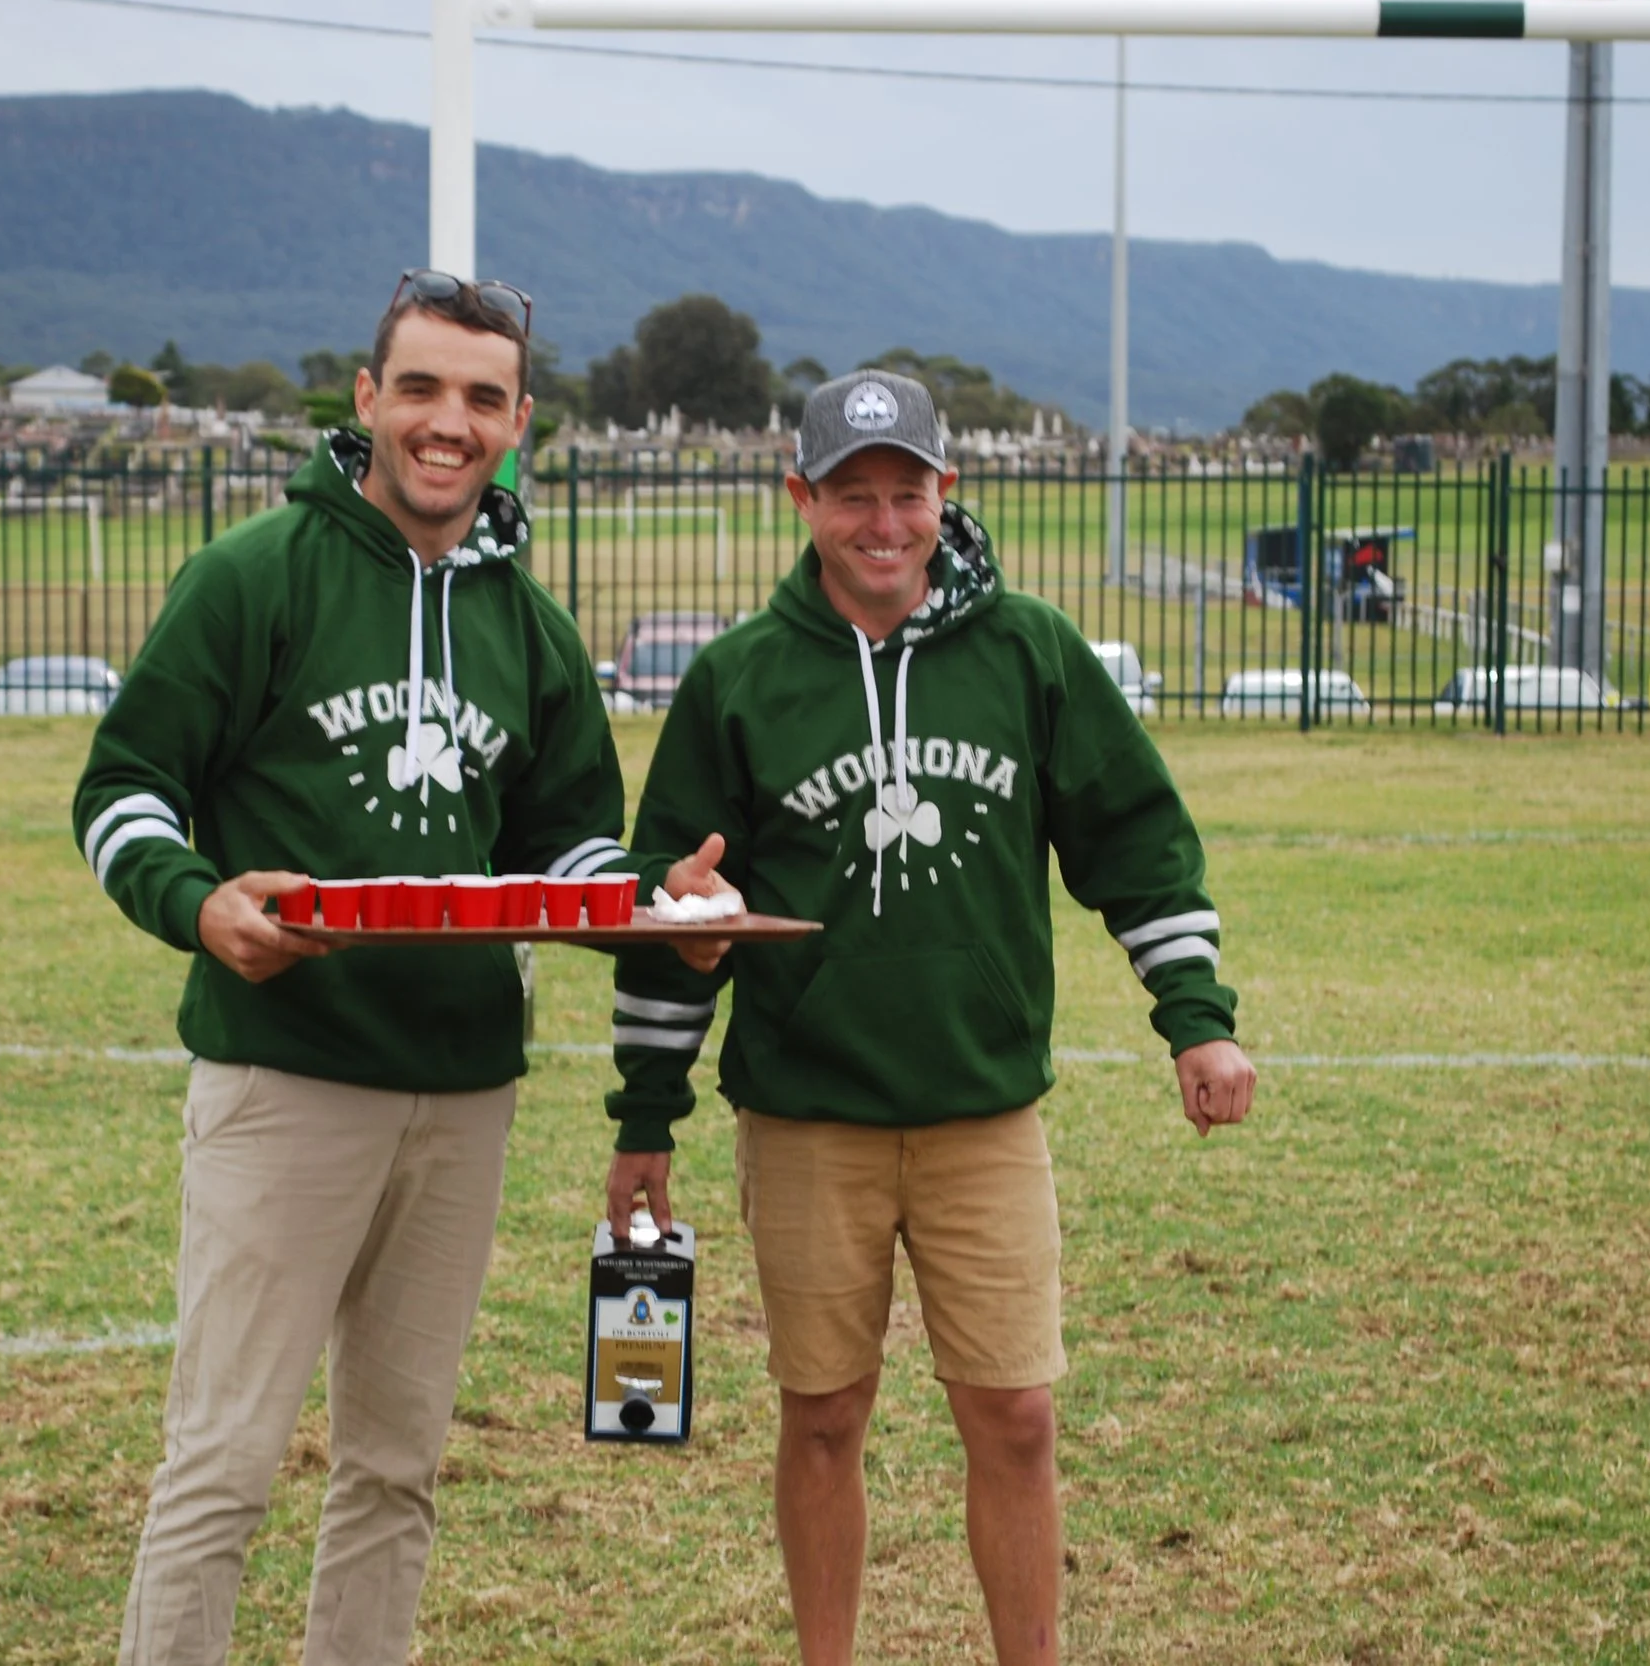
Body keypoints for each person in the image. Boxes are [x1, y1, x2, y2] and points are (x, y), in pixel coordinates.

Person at [75, 270, 730, 1666]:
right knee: (225, 1463)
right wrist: (198, 907)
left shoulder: (533, 628)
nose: (449, 422)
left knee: (395, 1462)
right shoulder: (254, 575)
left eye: (482, 398)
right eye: (421, 388)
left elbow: (556, 852)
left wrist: (646, 904)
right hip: (286, 1074)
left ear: (519, 423)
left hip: (462, 1092)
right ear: (366, 399)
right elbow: (122, 788)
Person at [601, 370, 1255, 1666]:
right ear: (803, 500)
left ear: (948, 495)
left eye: (908, 492)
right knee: (826, 1412)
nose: (883, 522)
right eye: (853, 496)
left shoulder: (1031, 652)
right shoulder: (740, 679)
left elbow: (1133, 841)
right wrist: (646, 1114)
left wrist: (1197, 1015)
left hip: (982, 1113)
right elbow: (673, 915)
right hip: (806, 1115)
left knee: (1014, 1413)